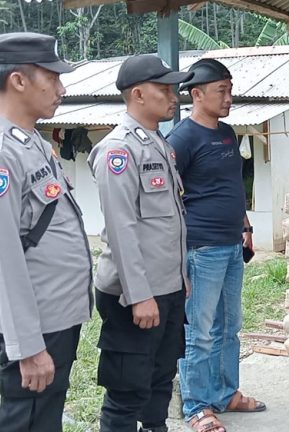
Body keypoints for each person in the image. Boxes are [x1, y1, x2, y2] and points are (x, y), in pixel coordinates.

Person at [0, 32, 92, 432]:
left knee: (45, 420)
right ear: (18, 81)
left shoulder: (32, 142)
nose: (61, 88)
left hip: (55, 315)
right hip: (35, 326)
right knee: (26, 422)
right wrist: (28, 347)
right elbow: (3, 258)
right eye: (52, 78)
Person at [87, 54, 192, 432]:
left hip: (166, 287)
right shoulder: (119, 150)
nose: (173, 96)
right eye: (164, 89)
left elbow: (168, 222)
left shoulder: (158, 143)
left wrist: (180, 279)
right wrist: (139, 296)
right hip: (133, 293)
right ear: (138, 94)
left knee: (160, 380)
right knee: (127, 393)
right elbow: (122, 229)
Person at [166, 59, 265, 432]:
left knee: (230, 325)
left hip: (231, 244)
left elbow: (232, 186)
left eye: (230, 90)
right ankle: (196, 406)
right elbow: (168, 197)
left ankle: (225, 394)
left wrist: (245, 225)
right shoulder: (181, 139)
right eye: (221, 91)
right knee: (200, 330)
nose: (228, 98)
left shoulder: (226, 133)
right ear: (197, 94)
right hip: (201, 249)